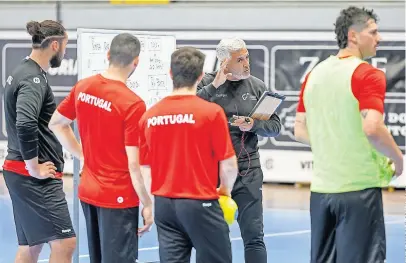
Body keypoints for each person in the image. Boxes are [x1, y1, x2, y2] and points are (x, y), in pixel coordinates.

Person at [294, 6, 404, 263]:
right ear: (353, 36)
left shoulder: (314, 75)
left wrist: (332, 141)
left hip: (321, 193)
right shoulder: (368, 74)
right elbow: (372, 128)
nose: (380, 38)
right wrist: (398, 159)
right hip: (359, 191)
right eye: (373, 32)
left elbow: (299, 129)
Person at [48, 33, 153, 263]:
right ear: (136, 62)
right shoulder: (132, 103)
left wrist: (83, 155)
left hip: (89, 191)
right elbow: (133, 165)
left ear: (108, 55)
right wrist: (147, 203)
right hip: (118, 196)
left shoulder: (84, 87)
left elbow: (56, 123)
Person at [138, 46, 238, 263]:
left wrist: (150, 203)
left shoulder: (150, 116)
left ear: (170, 73)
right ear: (201, 75)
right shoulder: (211, 113)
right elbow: (229, 164)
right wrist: (225, 190)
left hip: (164, 205)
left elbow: (144, 168)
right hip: (200, 202)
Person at [196, 37, 281, 263]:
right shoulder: (205, 83)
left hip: (247, 171)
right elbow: (191, 112)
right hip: (211, 173)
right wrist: (214, 87)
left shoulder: (257, 86)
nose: (246, 63)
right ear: (224, 62)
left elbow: (275, 127)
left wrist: (254, 124)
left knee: (254, 237)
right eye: (239, 59)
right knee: (210, 238)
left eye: (247, 57)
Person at [2, 20, 76, 263]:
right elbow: (25, 123)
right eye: (64, 46)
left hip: (21, 173)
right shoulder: (32, 79)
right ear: (55, 44)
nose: (64, 53)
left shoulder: (25, 71)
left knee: (31, 246)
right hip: (33, 177)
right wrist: (33, 167)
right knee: (65, 243)